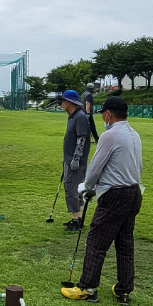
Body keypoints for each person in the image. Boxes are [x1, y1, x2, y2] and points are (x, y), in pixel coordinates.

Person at [61, 96, 143, 306]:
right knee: (125, 244)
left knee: (96, 242)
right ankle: (124, 290)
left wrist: (87, 188)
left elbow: (95, 168)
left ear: (108, 114)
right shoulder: (135, 135)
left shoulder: (109, 135)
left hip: (115, 197)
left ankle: (88, 288)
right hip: (134, 193)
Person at [57, 90, 91, 232]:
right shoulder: (72, 117)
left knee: (71, 189)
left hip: (75, 161)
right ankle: (77, 217)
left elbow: (81, 139)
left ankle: (76, 219)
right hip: (69, 159)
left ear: (70, 103)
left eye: (63, 101)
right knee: (73, 188)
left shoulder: (80, 117)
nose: (62, 104)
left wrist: (75, 159)